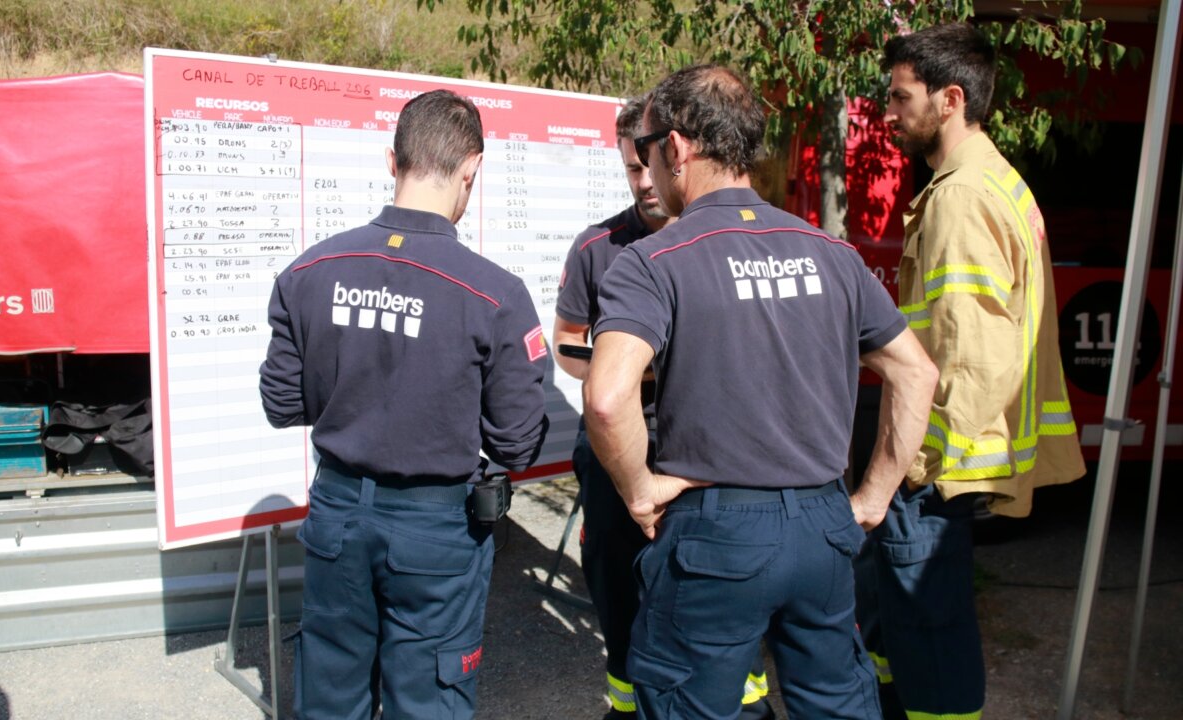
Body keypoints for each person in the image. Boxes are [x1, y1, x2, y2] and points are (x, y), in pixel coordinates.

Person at [584, 64, 938, 720]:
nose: (646, 170)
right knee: (836, 705)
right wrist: (873, 497)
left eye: (643, 150)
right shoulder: (830, 253)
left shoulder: (654, 260)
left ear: (677, 147)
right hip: (823, 526)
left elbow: (606, 396)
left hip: (714, 532)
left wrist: (639, 488)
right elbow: (917, 372)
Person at [259, 89, 550, 720]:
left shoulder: (310, 271)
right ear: (471, 168)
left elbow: (282, 403)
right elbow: (517, 442)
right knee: (429, 702)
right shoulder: (494, 295)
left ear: (393, 160)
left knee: (331, 696)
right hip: (436, 528)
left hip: (337, 513)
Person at [855, 23, 1086, 720]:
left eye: (900, 98)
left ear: (950, 99)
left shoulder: (959, 198)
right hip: (949, 463)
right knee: (901, 630)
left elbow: (971, 361)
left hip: (934, 467)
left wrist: (907, 469)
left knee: (932, 649)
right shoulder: (995, 180)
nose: (888, 115)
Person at [554, 97, 772, 720]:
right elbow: (570, 346)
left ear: (670, 154)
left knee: (717, 591)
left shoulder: (719, 239)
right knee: (618, 586)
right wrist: (638, 367)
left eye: (649, 166)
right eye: (630, 171)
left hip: (707, 446)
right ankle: (626, 704)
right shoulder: (598, 246)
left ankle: (739, 698)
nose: (645, 183)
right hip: (618, 446)